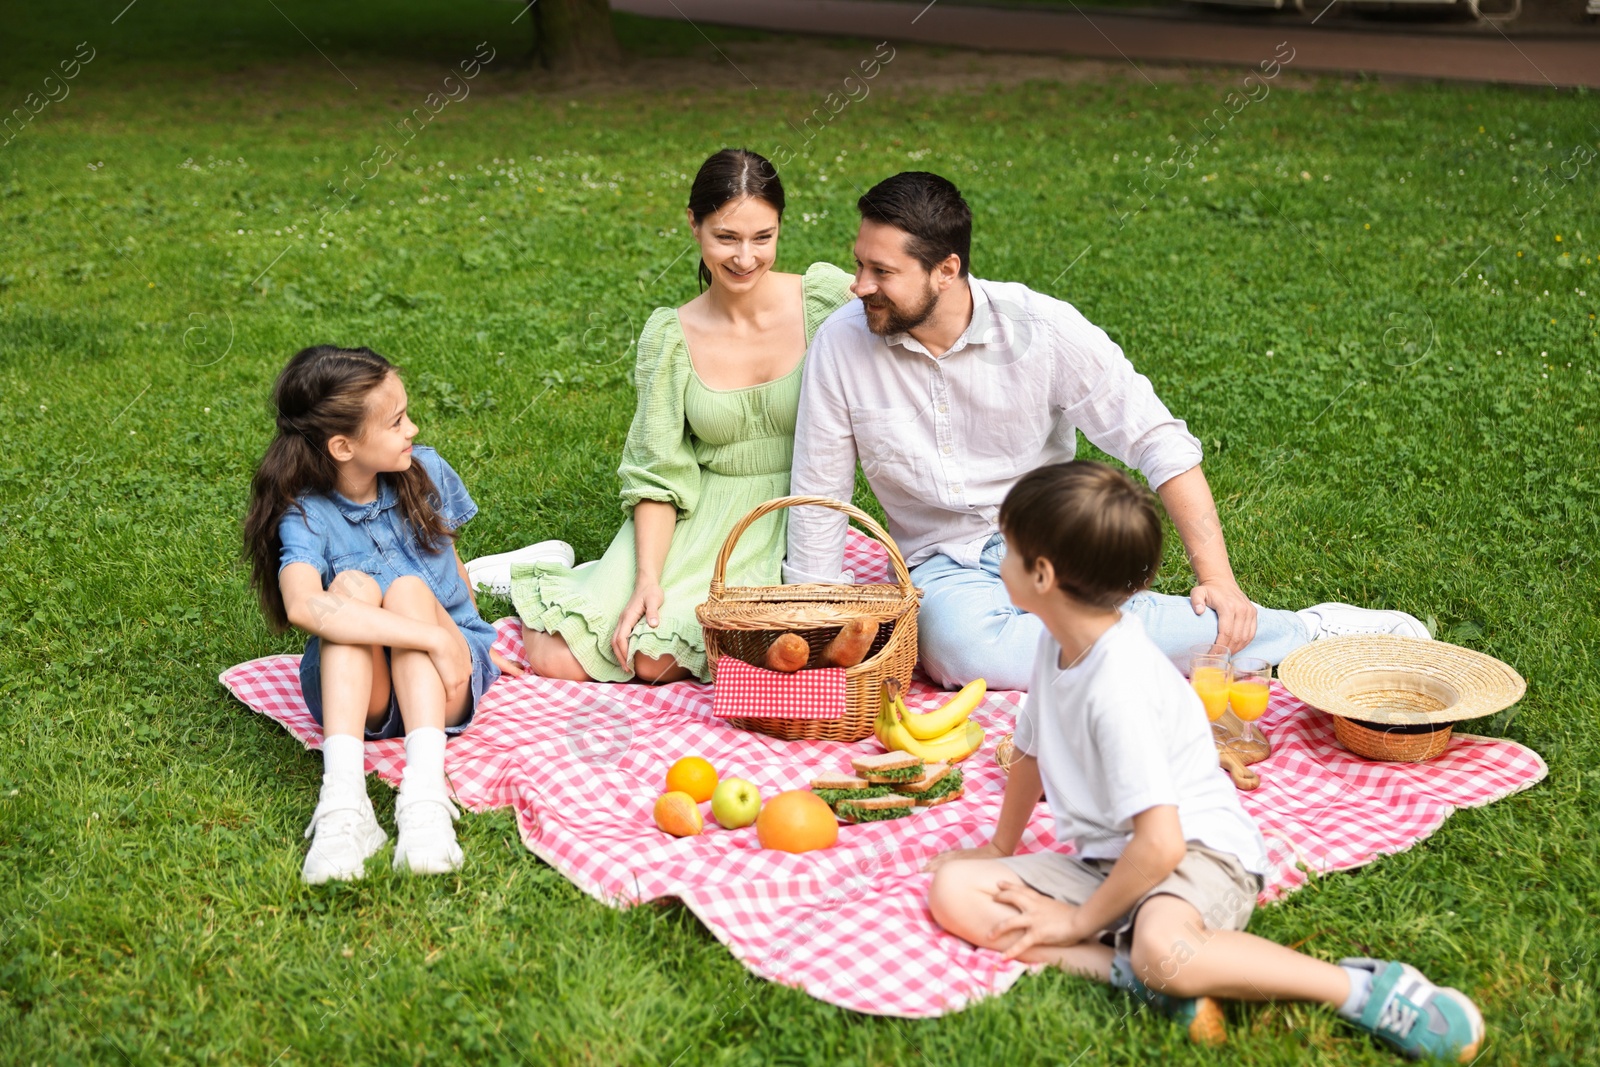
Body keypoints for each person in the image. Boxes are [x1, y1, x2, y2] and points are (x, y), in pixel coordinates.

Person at [784, 171, 1430, 691]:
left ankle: (1309, 633)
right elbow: (820, 491)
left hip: (1051, 540)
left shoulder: (1043, 327)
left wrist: (1220, 580)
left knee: (1040, 631)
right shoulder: (843, 342)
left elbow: (1157, 440)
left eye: (881, 272)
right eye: (860, 264)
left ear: (947, 271)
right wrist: (811, 625)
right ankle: (1167, 635)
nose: (860, 284)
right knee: (957, 653)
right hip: (942, 562)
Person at [926, 461, 1484, 1060]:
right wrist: (1000, 848)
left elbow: (1163, 847)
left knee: (1164, 949)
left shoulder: (1119, 687)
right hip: (1113, 862)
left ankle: (1362, 990)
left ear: (1042, 575)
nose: (995, 562)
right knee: (955, 888)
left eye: (1006, 550)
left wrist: (1075, 919)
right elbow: (1030, 751)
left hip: (1200, 857)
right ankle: (1137, 978)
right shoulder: (1053, 643)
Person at [508, 148, 856, 683]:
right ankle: (561, 573)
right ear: (693, 225)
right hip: (701, 508)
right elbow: (659, 469)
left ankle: (589, 576)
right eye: (726, 237)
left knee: (677, 658)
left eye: (763, 237)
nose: (745, 257)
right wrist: (648, 576)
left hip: (796, 508)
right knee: (568, 656)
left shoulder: (825, 301)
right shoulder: (671, 337)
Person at [243, 345, 525, 884]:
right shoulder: (307, 513)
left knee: (410, 588)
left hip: (443, 683)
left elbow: (454, 569)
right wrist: (429, 637)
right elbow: (302, 603)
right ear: (343, 445)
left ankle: (424, 797)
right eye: (396, 422)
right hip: (364, 696)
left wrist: (471, 640)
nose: (412, 428)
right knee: (348, 588)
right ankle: (344, 806)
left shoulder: (427, 472)